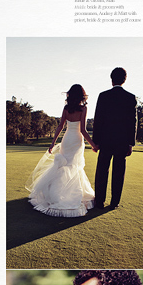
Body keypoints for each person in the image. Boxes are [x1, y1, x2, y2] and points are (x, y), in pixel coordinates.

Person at [26, 85, 96, 217]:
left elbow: (60, 126)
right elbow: (83, 130)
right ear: (81, 96)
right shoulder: (83, 109)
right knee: (74, 167)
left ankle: (56, 194)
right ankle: (70, 196)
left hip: (66, 140)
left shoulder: (66, 108)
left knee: (64, 167)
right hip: (76, 140)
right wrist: (93, 144)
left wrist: (53, 142)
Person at [93, 68, 137, 209]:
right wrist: (131, 143)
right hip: (122, 141)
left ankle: (99, 202)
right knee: (119, 172)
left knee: (102, 171)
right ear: (125, 79)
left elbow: (97, 120)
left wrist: (96, 142)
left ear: (111, 78)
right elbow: (132, 122)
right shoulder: (130, 97)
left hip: (105, 140)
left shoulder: (103, 96)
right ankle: (114, 203)